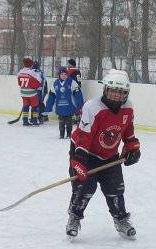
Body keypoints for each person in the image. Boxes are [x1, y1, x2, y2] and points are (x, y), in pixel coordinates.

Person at [66, 69, 141, 239]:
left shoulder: (128, 107)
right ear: (105, 89)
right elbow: (84, 137)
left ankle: (121, 220)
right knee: (84, 187)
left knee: (116, 188)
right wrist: (78, 162)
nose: (116, 95)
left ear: (126, 93)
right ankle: (74, 218)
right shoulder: (92, 107)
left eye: (121, 92)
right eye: (113, 90)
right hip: (85, 152)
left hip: (109, 155)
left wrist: (132, 147)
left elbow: (128, 130)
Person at [45, 66, 83, 139]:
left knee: (69, 122)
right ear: (59, 75)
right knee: (61, 122)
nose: (63, 76)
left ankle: (69, 134)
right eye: (62, 74)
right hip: (60, 107)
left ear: (67, 75)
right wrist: (48, 107)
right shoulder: (55, 83)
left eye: (65, 74)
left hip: (69, 106)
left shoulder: (72, 82)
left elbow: (78, 94)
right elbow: (51, 97)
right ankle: (61, 134)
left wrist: (80, 105)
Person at [17, 56, 42, 126]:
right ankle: (34, 120)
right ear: (31, 64)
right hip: (32, 93)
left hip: (23, 93)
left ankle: (25, 121)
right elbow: (39, 82)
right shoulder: (32, 73)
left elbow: (19, 83)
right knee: (35, 106)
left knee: (26, 106)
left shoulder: (20, 72)